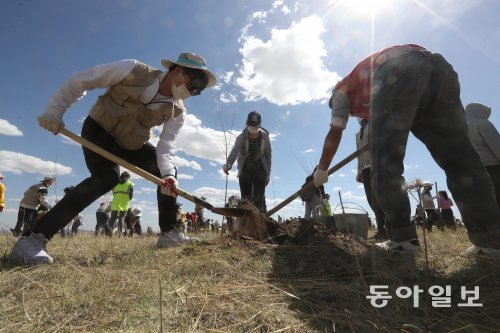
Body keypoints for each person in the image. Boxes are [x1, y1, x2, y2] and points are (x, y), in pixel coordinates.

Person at [10, 52, 216, 264]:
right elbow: (81, 80)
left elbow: (167, 145)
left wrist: (168, 176)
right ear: (179, 70)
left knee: (166, 171)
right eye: (196, 81)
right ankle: (33, 239)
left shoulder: (178, 112)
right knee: (106, 178)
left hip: (131, 144)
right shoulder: (132, 70)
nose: (195, 90)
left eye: (200, 89)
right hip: (99, 131)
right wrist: (54, 111)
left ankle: (169, 234)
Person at [313, 43, 500, 255]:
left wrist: (322, 169)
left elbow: (335, 131)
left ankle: (403, 240)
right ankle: (490, 240)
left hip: (397, 71)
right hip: (438, 69)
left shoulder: (340, 91)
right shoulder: (366, 90)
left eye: (351, 114)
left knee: (384, 164)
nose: (353, 115)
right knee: (460, 160)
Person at [223, 111, 272, 212]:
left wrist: (268, 173)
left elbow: (268, 155)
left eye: (255, 127)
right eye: (251, 127)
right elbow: (235, 151)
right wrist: (228, 164)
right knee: (246, 199)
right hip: (245, 171)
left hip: (260, 170)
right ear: (247, 125)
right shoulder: (241, 137)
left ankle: (259, 221)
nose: (253, 130)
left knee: (259, 198)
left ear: (259, 126)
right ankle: (246, 223)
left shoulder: (265, 137)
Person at [355, 118, 388, 240]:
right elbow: (358, 154)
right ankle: (382, 230)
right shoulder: (357, 135)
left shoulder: (375, 125)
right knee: (371, 200)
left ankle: (388, 228)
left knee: (381, 198)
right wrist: (359, 170)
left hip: (377, 165)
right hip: (365, 169)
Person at [465, 102, 500, 209]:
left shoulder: (462, 128)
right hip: (493, 168)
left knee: (487, 203)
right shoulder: (483, 123)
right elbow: (497, 146)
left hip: (474, 170)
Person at [105, 171, 134, 236]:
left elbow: (113, 193)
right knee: (121, 219)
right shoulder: (130, 184)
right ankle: (120, 235)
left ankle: (108, 234)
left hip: (115, 203)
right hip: (124, 204)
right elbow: (131, 196)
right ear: (127, 177)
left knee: (112, 219)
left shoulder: (115, 184)